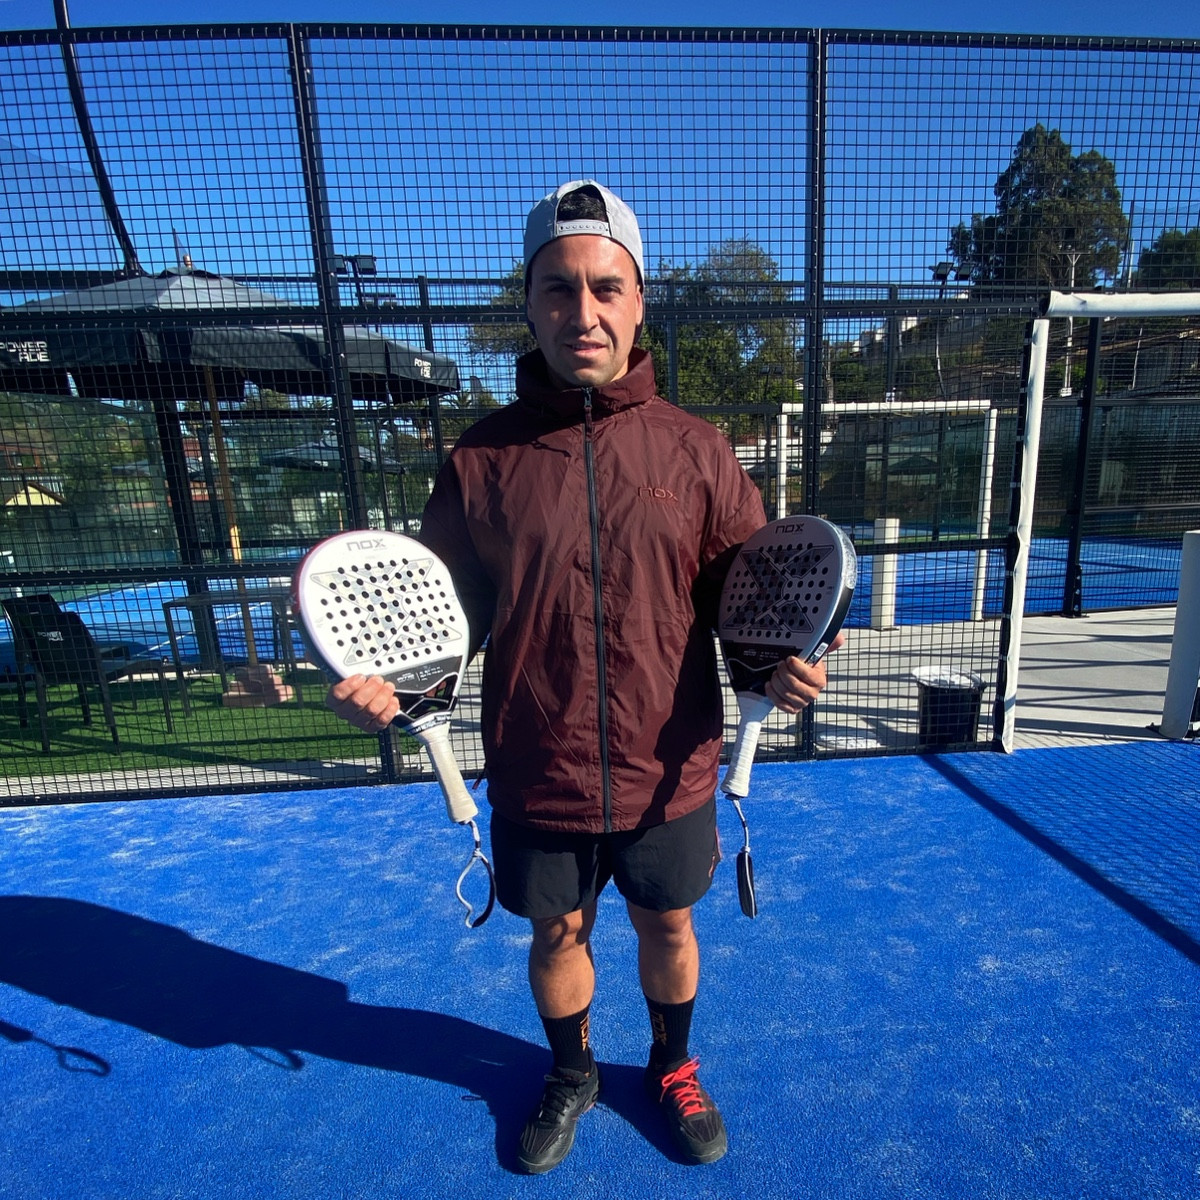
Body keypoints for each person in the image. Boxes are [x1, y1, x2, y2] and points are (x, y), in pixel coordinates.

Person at [326, 180, 839, 1173]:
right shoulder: (480, 460)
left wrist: (788, 662)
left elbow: (753, 602)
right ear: (530, 305)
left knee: (668, 922)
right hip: (540, 763)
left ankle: (673, 1066)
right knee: (558, 932)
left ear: (640, 301)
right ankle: (573, 1073)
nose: (584, 312)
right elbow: (441, 618)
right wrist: (385, 687)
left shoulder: (697, 452)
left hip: (668, 765)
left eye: (606, 287)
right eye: (559, 289)